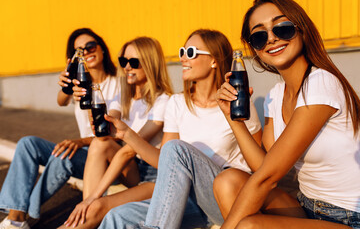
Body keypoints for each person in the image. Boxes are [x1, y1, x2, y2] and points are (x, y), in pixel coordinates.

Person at [214, 0, 360, 229]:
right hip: (307, 208)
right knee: (227, 181)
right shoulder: (275, 95)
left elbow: (267, 179)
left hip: (350, 218)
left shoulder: (320, 83)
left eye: (282, 28)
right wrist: (233, 120)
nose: (271, 39)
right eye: (259, 36)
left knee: (250, 226)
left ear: (301, 29)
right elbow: (264, 168)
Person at [98, 29, 263, 228]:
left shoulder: (238, 101)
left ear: (213, 60)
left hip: (226, 199)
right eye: (182, 52)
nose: (183, 58)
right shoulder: (177, 103)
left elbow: (259, 167)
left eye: (191, 53)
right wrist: (127, 134)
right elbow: (166, 160)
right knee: (117, 216)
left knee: (176, 148)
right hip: (188, 197)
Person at [0, 28, 121, 229]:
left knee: (64, 154)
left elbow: (112, 132)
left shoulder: (118, 84)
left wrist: (79, 141)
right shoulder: (79, 83)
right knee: (28, 143)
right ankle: (15, 217)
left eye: (90, 46)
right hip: (84, 152)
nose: (86, 52)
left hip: (106, 158)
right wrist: (67, 85)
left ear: (102, 49)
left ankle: (23, 214)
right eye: (79, 51)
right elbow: (60, 101)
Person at [60, 36, 173, 229]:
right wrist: (86, 97)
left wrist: (95, 197)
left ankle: (89, 209)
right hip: (132, 169)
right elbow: (102, 131)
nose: (127, 67)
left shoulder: (164, 101)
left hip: (155, 177)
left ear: (150, 64)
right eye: (124, 61)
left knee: (96, 205)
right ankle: (88, 212)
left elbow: (129, 150)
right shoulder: (124, 95)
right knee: (100, 144)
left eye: (134, 62)